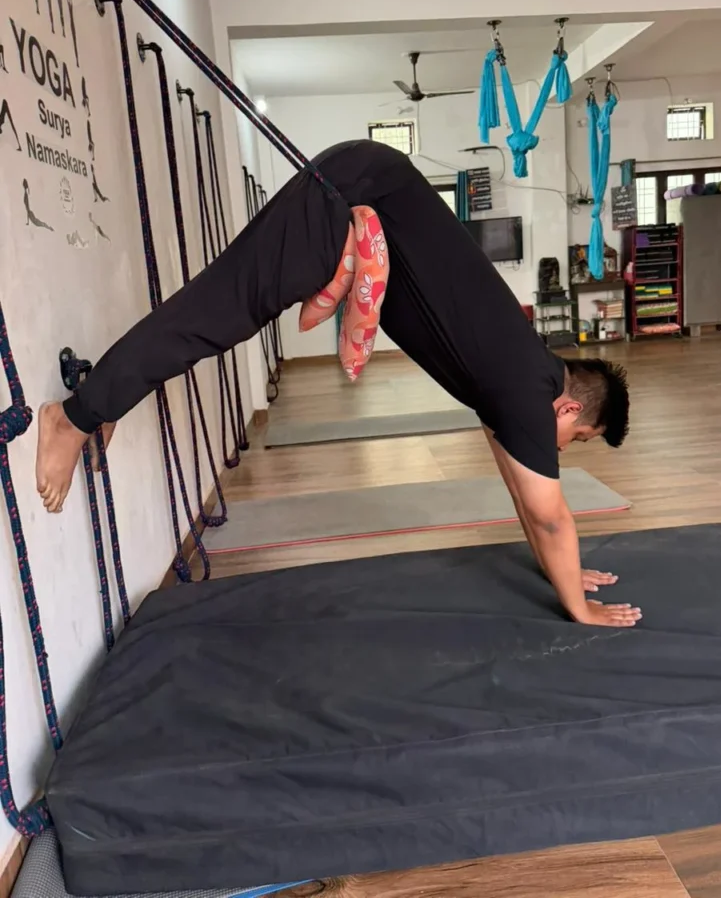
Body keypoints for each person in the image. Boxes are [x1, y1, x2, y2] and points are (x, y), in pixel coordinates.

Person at [36, 139, 638, 628]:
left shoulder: (519, 372)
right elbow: (553, 516)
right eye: (578, 440)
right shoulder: (523, 390)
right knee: (212, 318)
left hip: (366, 183)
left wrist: (561, 571)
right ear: (567, 409)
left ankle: (104, 399)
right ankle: (75, 417)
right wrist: (578, 608)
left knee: (213, 314)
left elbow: (526, 502)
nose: (562, 452)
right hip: (353, 195)